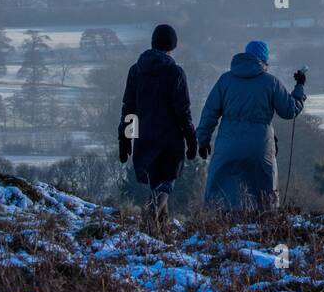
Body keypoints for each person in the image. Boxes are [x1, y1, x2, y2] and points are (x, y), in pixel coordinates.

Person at [196, 39, 306, 209]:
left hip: (228, 146)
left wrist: (202, 141)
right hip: (259, 147)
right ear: (264, 60)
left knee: (221, 195)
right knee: (264, 195)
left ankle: (221, 228)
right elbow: (289, 110)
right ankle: (261, 227)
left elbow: (209, 113)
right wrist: (299, 86)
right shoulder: (271, 82)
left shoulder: (225, 80)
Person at [118, 23, 197, 227]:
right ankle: (150, 215)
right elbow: (183, 110)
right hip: (170, 138)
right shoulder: (175, 73)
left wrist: (125, 139)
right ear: (173, 46)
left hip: (144, 137)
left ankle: (161, 234)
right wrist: (191, 138)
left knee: (157, 183)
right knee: (165, 184)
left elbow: (129, 108)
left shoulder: (136, 71)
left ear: (153, 43)